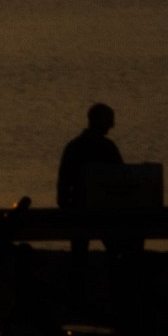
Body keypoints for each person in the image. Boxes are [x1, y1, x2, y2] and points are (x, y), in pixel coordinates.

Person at [56, 103, 123, 256]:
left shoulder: (74, 147)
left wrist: (66, 208)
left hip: (80, 210)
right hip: (104, 212)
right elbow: (122, 178)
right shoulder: (108, 147)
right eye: (109, 121)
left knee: (79, 253)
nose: (111, 125)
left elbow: (63, 183)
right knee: (115, 251)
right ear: (98, 121)